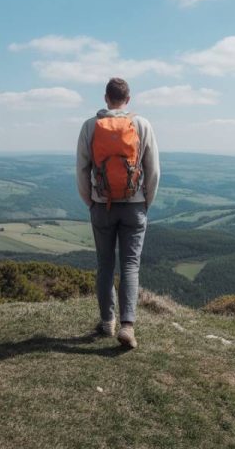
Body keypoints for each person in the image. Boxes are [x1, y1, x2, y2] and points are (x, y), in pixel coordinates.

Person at [76, 78, 160, 349]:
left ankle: (107, 322)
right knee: (130, 266)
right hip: (134, 205)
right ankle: (127, 325)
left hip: (102, 205)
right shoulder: (142, 125)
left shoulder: (90, 126)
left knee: (105, 265)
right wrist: (146, 201)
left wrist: (90, 200)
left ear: (105, 97)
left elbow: (81, 169)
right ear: (128, 98)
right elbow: (153, 170)